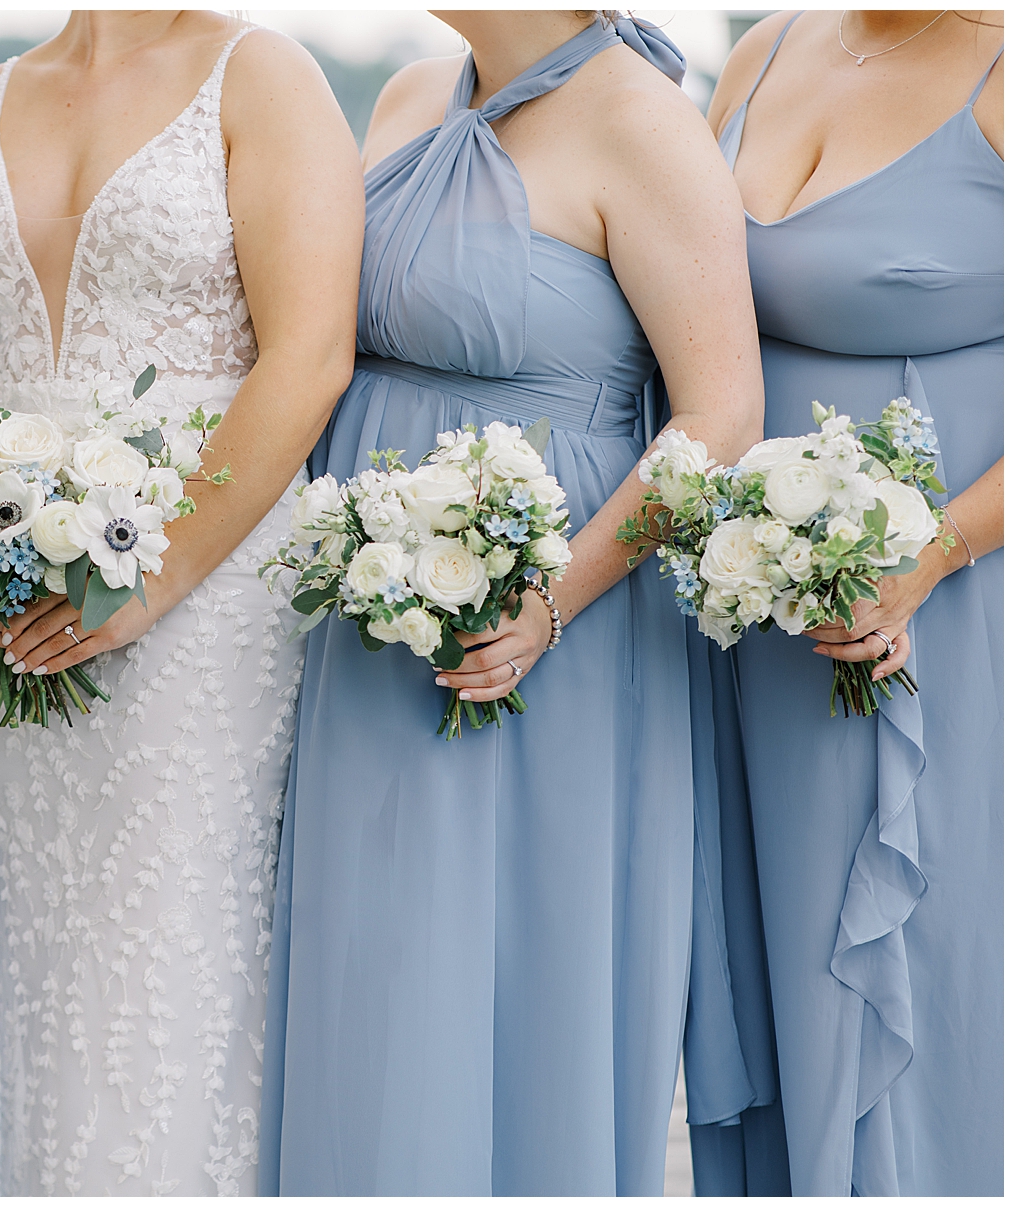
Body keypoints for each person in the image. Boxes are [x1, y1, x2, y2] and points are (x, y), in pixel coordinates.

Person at [260, 12, 766, 1194]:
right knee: (369, 973)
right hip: (367, 622)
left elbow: (722, 414)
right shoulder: (407, 97)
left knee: (509, 980)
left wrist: (550, 601)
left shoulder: (642, 122)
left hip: (555, 631)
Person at [0, 10, 362, 1194]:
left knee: (174, 958)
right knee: (49, 963)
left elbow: (309, 355)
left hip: (203, 603)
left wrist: (155, 577)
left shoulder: (262, 78)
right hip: (2, 605)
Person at [684, 10, 1002, 1195]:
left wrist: (930, 555)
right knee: (775, 970)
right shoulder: (764, 48)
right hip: (753, 613)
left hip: (951, 602)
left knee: (932, 964)